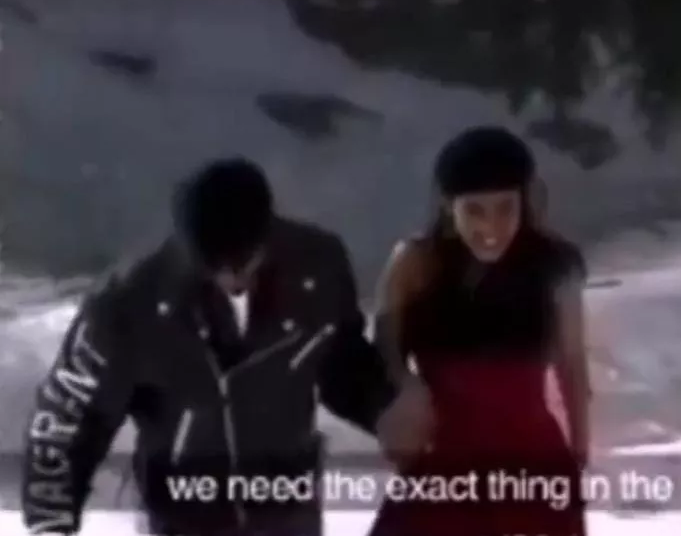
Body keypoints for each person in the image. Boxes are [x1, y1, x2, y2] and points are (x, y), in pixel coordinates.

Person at [20, 157, 431, 536]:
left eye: (244, 263)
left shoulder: (318, 265)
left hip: (288, 511)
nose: (233, 279)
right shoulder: (128, 303)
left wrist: (382, 404)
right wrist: (51, 525)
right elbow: (65, 424)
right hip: (181, 516)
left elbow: (340, 362)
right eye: (215, 267)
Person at [369, 126, 591, 536]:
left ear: (525, 202)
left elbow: (572, 365)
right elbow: (384, 347)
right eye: (475, 210)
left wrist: (579, 456)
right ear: (448, 206)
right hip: (441, 459)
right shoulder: (415, 262)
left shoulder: (554, 264)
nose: (492, 226)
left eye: (506, 208)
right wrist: (407, 387)